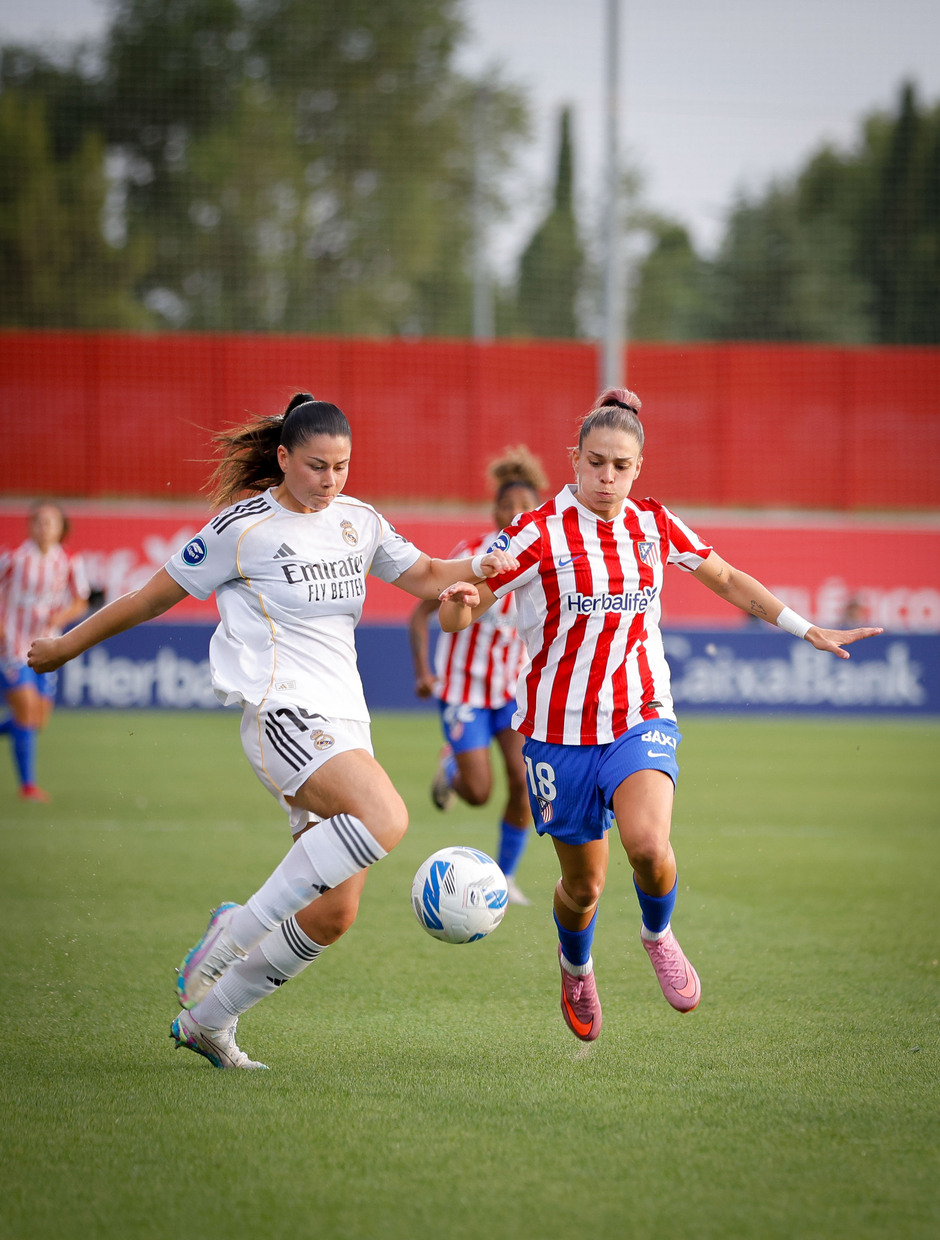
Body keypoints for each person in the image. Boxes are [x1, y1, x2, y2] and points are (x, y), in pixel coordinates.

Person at [28, 394, 517, 1070]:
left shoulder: (360, 522)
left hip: (346, 725)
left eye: (342, 466)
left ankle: (209, 1021)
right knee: (386, 816)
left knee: (334, 914)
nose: (330, 480)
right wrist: (65, 647)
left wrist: (481, 572)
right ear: (284, 459)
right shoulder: (243, 528)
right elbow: (151, 596)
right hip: (280, 712)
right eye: (317, 465)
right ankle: (234, 931)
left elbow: (431, 576)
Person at [437, 388, 882, 1043]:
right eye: (595, 463)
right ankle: (576, 965)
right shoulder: (536, 534)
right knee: (582, 886)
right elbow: (461, 609)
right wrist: (457, 598)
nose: (607, 477)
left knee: (648, 846)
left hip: (639, 715)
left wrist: (804, 627)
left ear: (638, 467)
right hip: (557, 736)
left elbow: (727, 579)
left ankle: (657, 933)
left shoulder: (654, 523)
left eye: (621, 465)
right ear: (575, 460)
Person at [409, 447, 547, 905]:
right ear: (495, 511)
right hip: (464, 691)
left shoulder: (545, 562)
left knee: (524, 783)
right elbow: (421, 614)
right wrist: (425, 671)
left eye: (526, 507)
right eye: (508, 506)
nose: (515, 514)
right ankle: (451, 766)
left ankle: (504, 878)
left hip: (512, 694)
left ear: (538, 511)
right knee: (479, 793)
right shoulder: (472, 555)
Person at [1, 502, 89, 802]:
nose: (44, 527)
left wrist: (59, 618)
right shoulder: (13, 559)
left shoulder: (68, 562)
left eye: (50, 522)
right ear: (31, 526)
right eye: (39, 522)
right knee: (25, 711)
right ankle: (28, 787)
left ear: (61, 528)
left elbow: (81, 601)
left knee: (36, 721)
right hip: (12, 646)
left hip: (48, 646)